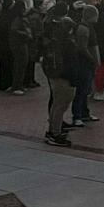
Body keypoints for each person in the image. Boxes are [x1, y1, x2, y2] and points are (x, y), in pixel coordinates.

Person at [41, 14, 76, 146]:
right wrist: (73, 79)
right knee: (61, 105)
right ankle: (55, 133)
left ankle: (52, 131)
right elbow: (72, 63)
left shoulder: (54, 40)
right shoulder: (69, 43)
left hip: (54, 75)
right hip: (64, 77)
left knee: (56, 104)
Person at [69, 5, 100, 128]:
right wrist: (92, 59)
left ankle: (84, 113)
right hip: (84, 63)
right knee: (82, 90)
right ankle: (77, 115)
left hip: (89, 63)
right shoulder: (83, 29)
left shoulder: (88, 27)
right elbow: (82, 48)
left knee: (86, 90)